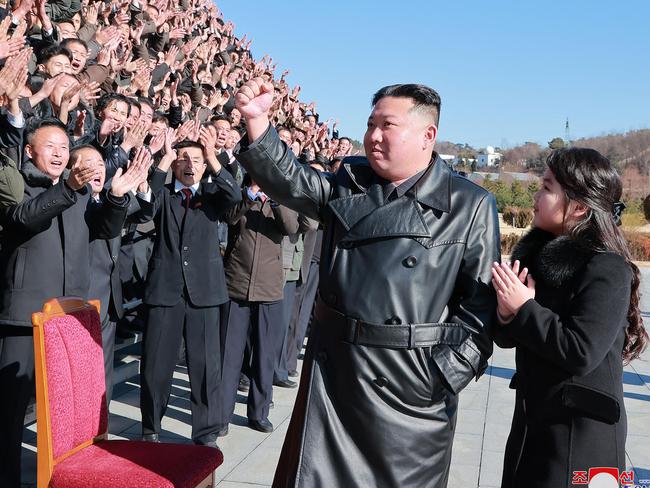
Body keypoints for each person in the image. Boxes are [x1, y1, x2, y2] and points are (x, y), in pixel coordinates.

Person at [235, 80, 499, 487]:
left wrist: (442, 376)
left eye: (387, 125)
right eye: (370, 123)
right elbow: (291, 182)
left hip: (410, 388)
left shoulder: (468, 203)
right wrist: (257, 121)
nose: (373, 135)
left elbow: (480, 308)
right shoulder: (350, 182)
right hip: (339, 375)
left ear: (428, 135)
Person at [491, 148, 648, 488]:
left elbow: (582, 352)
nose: (536, 195)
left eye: (547, 188)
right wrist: (506, 313)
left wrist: (524, 308)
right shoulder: (543, 260)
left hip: (583, 434)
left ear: (578, 206)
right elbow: (514, 336)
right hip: (534, 422)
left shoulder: (607, 267)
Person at [0, 118, 144, 487]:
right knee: (9, 415)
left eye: (65, 147)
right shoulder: (20, 183)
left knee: (66, 413)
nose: (60, 153)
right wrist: (67, 187)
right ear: (30, 151)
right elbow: (24, 218)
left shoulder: (77, 193)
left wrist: (116, 197)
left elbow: (105, 229)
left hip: (70, 318)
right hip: (24, 318)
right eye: (51, 146)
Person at [139, 129, 241, 448]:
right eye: (183, 159)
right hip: (165, 289)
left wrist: (212, 157)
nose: (189, 165)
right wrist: (165, 158)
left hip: (205, 292)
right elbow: (145, 208)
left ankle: (206, 432)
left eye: (195, 160)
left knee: (206, 366)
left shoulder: (211, 196)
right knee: (156, 364)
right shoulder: (164, 194)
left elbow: (235, 197)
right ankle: (150, 427)